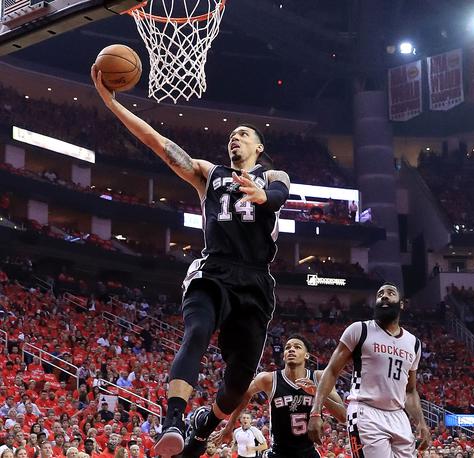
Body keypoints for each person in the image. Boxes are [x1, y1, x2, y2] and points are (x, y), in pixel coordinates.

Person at [91, 64, 291, 458]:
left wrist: (263, 197)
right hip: (213, 270)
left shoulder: (272, 176)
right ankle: (174, 421)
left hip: (256, 282)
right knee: (196, 331)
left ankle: (205, 426)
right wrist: (110, 102)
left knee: (237, 385)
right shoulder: (208, 174)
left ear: (258, 148)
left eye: (244, 135)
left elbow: (281, 195)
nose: (235, 139)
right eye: (232, 136)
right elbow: (156, 141)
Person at [307, 282, 431, 457]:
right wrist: (315, 412)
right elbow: (332, 371)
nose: (384, 296)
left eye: (390, 293)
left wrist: (421, 423)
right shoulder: (360, 330)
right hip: (366, 412)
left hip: (398, 415)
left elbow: (410, 391)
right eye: (380, 294)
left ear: (401, 304)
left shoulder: (414, 343)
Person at [210, 335, 347, 457]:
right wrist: (230, 425)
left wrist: (318, 393)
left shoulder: (320, 378)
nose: (291, 349)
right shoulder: (269, 379)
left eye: (297, 347)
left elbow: (342, 417)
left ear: (307, 355)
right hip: (277, 452)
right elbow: (245, 394)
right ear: (284, 355)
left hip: (308, 452)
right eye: (288, 347)